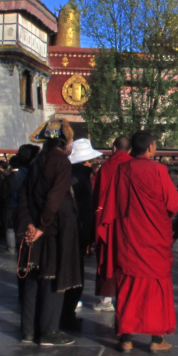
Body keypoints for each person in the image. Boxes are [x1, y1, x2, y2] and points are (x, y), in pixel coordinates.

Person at [113, 130, 178, 352]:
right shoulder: (160, 170)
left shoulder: (122, 169)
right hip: (154, 239)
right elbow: (172, 204)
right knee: (156, 287)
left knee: (129, 286)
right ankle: (156, 339)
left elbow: (116, 202)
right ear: (151, 147)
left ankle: (126, 339)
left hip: (130, 237)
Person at [16, 122, 81, 346]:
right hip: (52, 229)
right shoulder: (61, 162)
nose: (71, 146)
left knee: (33, 277)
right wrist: (42, 226)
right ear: (63, 142)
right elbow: (55, 197)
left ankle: (28, 330)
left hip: (34, 228)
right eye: (70, 142)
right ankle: (48, 331)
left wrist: (29, 224)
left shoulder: (37, 161)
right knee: (52, 277)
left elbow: (24, 194)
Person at [66, 138, 103, 330]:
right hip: (77, 231)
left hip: (73, 231)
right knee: (75, 274)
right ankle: (68, 314)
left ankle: (68, 312)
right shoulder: (80, 179)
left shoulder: (74, 175)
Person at [92, 135, 132, 311]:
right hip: (128, 220)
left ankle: (107, 300)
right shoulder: (133, 166)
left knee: (107, 257)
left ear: (114, 149)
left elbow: (97, 195)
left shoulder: (106, 167)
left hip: (107, 221)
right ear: (129, 150)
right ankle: (128, 297)